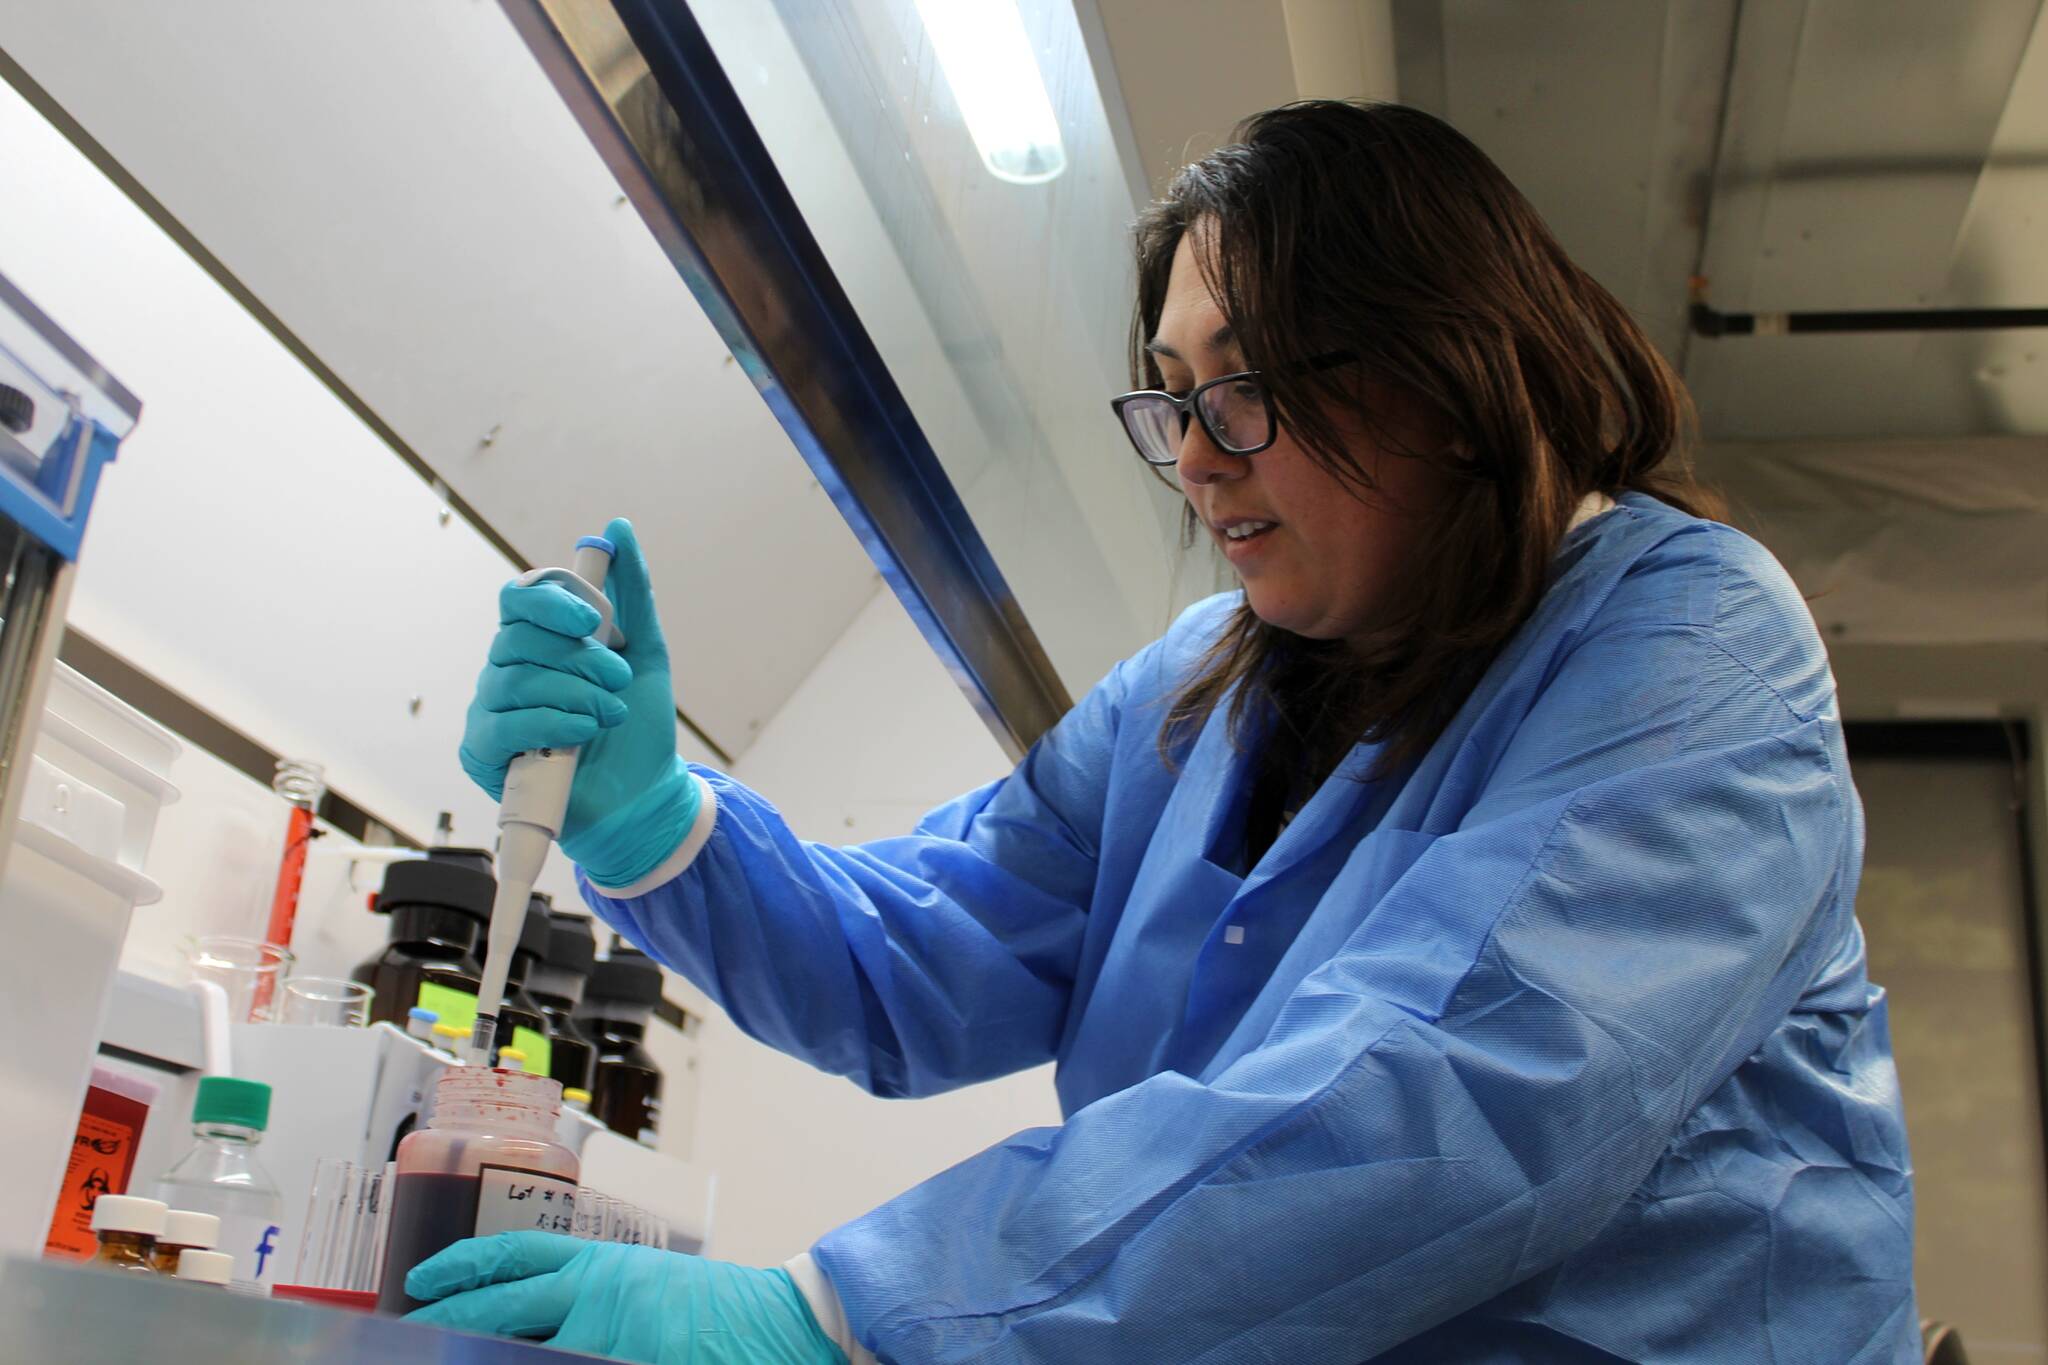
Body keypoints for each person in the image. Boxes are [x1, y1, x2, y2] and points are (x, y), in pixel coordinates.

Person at [412, 102, 1916, 1362]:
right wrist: (653, 818)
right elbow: (918, 953)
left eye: (1244, 389)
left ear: (1452, 375)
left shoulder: (1692, 645)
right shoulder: (1202, 688)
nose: (1192, 458)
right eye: (1173, 395)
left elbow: (1451, 1091)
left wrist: (840, 1320)